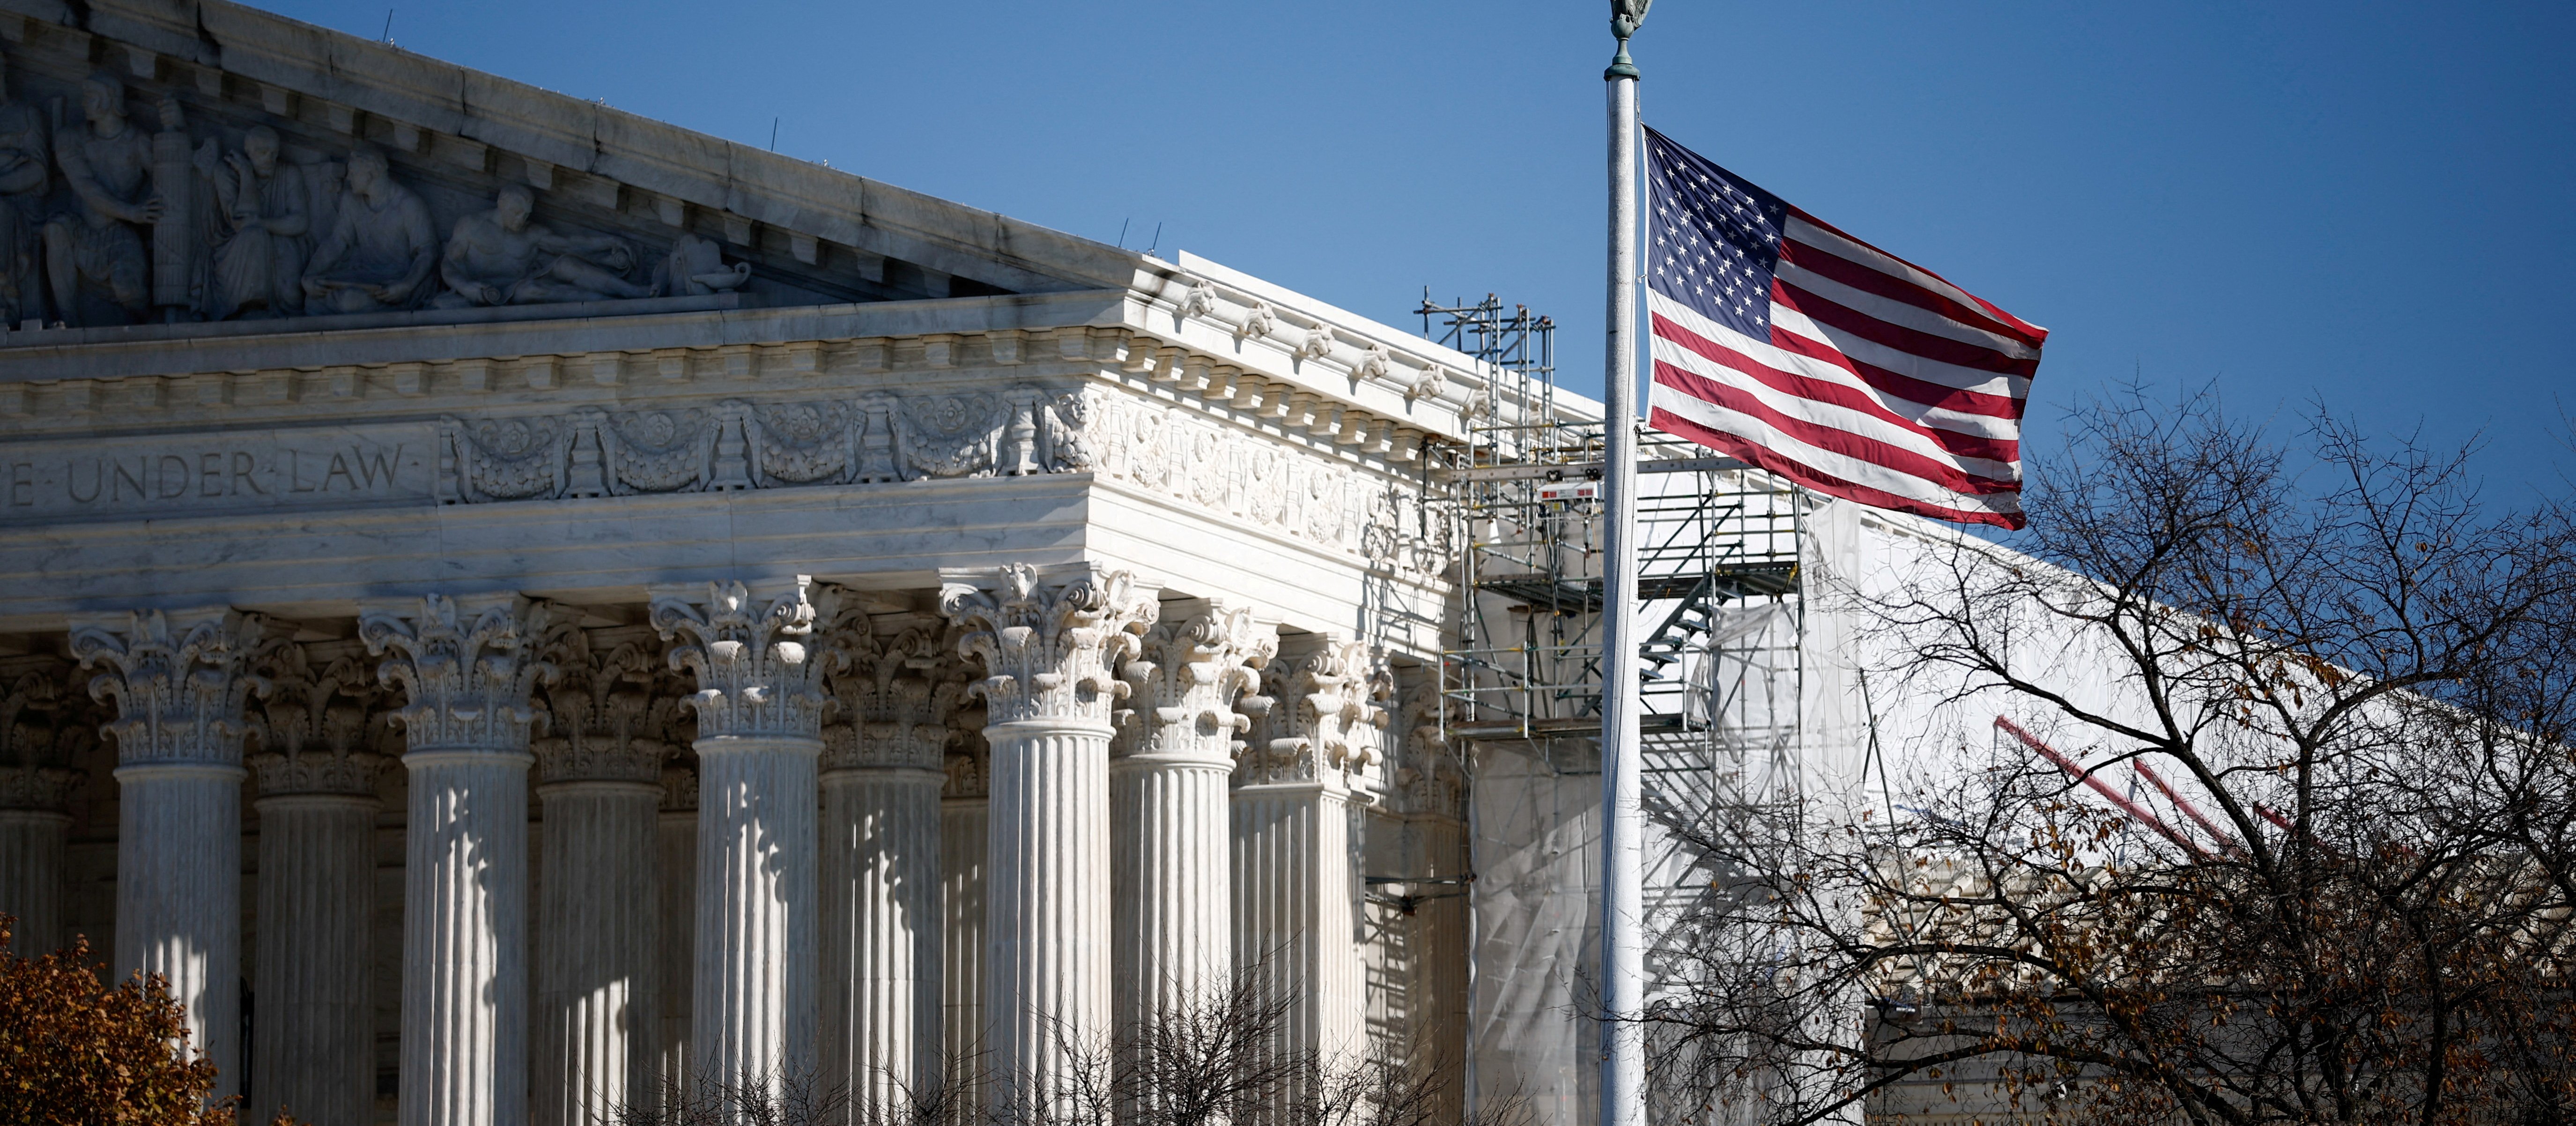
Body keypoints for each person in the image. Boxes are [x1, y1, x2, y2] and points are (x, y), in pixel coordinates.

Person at [43, 72, 156, 325]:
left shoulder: (138, 142)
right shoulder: (71, 139)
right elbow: (87, 188)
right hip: (81, 227)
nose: (83, 103)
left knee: (129, 288)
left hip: (119, 235)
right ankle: (68, 319)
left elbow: (165, 183)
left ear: (109, 100)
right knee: (55, 229)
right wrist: (133, 212)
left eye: (90, 97)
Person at [430, 183, 645, 308]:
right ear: (501, 203)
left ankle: (630, 293)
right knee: (534, 291)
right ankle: (607, 305)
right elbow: (449, 265)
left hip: (521, 281)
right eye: (516, 213)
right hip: (490, 291)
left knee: (567, 264)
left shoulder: (531, 233)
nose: (521, 220)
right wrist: (465, 287)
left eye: (525, 215)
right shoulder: (471, 226)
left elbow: (571, 245)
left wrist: (611, 241)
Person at [300, 143, 435, 315]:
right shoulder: (351, 201)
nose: (348, 178)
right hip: (361, 277)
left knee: (352, 303)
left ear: (370, 174)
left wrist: (406, 285)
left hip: (395, 281)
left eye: (353, 173)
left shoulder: (408, 205)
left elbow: (427, 251)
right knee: (313, 302)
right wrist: (310, 275)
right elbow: (337, 242)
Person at [205, 126, 311, 319]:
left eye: (274, 153)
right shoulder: (225, 172)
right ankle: (252, 306)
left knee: (293, 296)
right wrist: (246, 174)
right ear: (248, 151)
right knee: (254, 236)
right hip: (236, 248)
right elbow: (242, 222)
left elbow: (301, 222)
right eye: (263, 152)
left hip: (281, 242)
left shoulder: (289, 173)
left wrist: (262, 223)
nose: (270, 159)